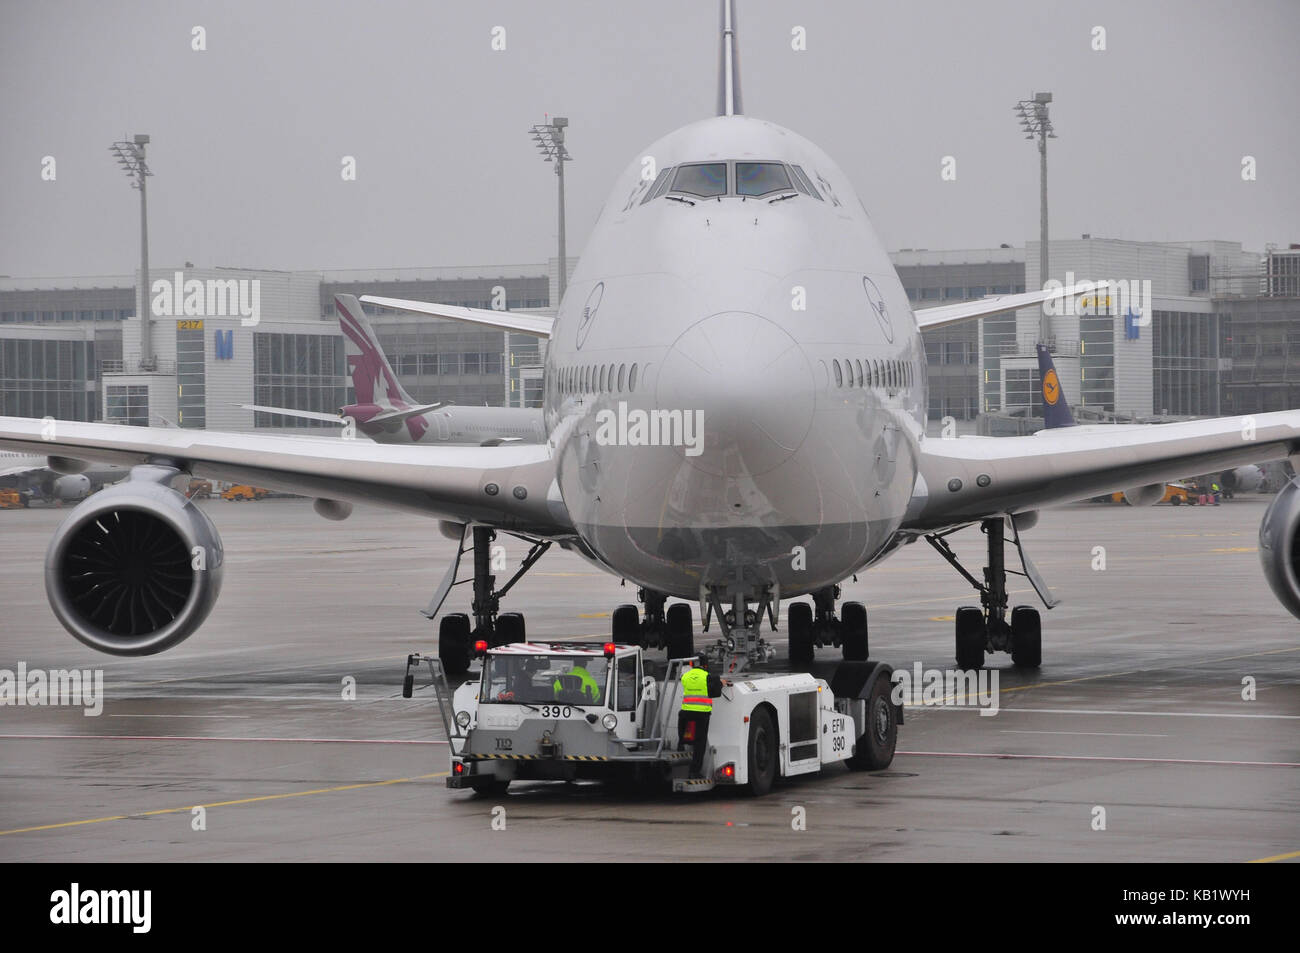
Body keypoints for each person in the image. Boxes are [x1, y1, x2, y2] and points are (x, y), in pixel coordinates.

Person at [677, 656, 722, 779]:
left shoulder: (685, 676)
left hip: (687, 712)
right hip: (702, 713)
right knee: (700, 743)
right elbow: (715, 692)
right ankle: (694, 771)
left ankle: (681, 743)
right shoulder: (708, 677)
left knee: (684, 724)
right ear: (705, 665)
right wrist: (720, 683)